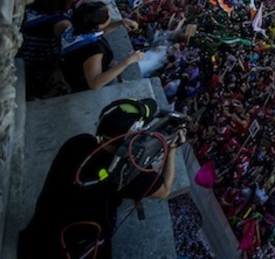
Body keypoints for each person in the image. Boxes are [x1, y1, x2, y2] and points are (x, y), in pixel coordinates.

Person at [18, 97, 184, 259]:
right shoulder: (128, 175)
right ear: (133, 138)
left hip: (34, 239)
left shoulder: (78, 143)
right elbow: (165, 190)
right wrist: (172, 149)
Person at [60, 0, 143, 92]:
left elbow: (97, 34)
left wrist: (120, 22)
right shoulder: (94, 50)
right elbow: (95, 83)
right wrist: (127, 61)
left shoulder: (75, 27)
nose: (110, 15)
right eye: (108, 15)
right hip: (81, 85)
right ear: (97, 26)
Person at [16, 0, 76, 100]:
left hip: (22, 56)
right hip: (41, 63)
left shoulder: (28, 9)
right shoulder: (61, 23)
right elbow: (76, 42)